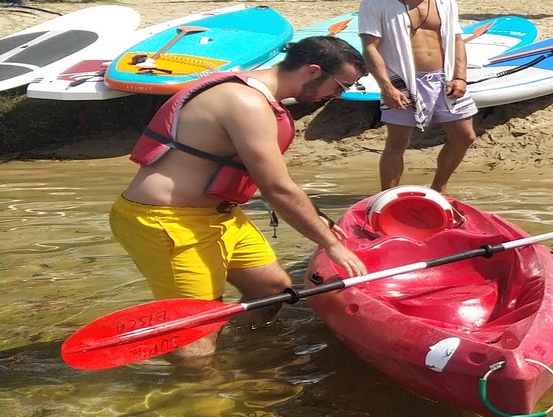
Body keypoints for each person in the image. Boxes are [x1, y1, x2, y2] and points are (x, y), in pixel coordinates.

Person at [111, 36, 371, 365]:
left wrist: (319, 218)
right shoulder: (244, 101)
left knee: (271, 291)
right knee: (198, 327)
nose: (337, 96)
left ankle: (233, 354)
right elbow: (277, 189)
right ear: (312, 71)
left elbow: (276, 182)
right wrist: (331, 245)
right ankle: (201, 400)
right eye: (340, 86)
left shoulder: (261, 99)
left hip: (220, 218)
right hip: (167, 220)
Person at [358, 0, 480, 194]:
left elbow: (456, 39)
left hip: (444, 77)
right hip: (403, 79)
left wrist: (460, 76)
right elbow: (370, 47)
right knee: (397, 142)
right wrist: (387, 87)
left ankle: (440, 186)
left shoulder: (445, 1)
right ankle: (388, 196)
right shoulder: (376, 3)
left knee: (465, 136)